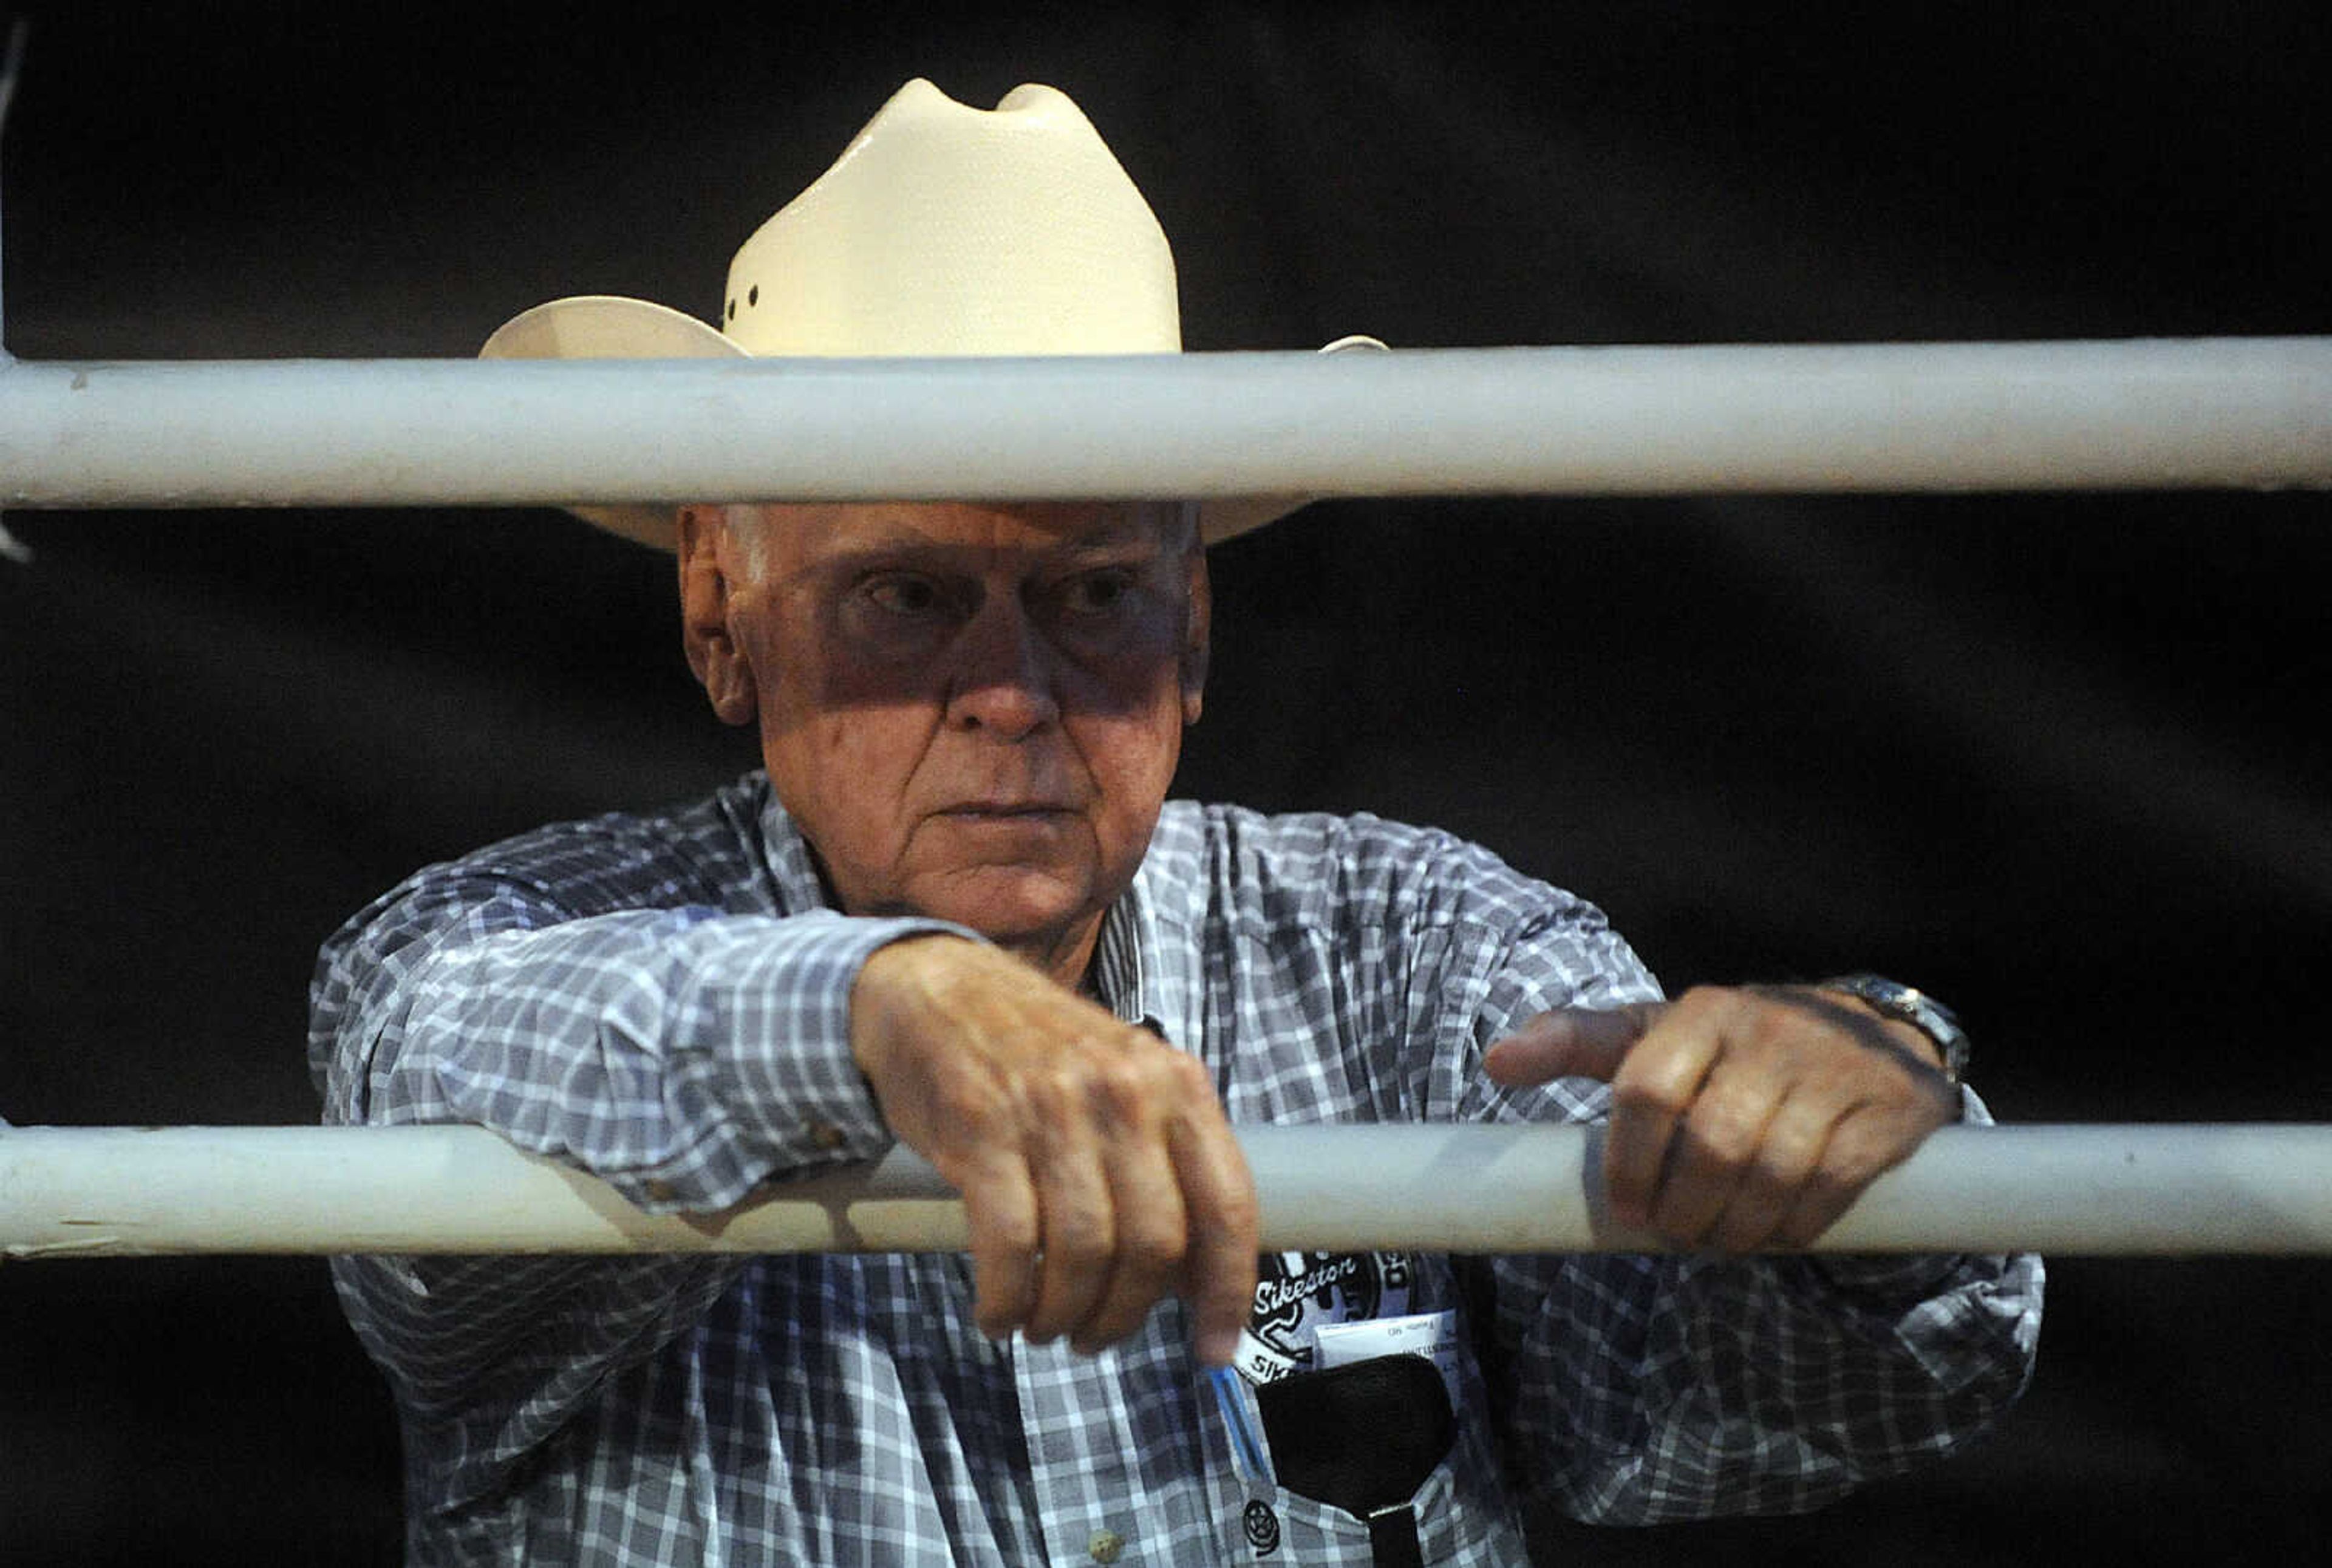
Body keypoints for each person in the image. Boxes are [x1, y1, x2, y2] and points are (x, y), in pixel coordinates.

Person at [311, 79, 2042, 1566]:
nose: (1014, 692)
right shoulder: (505, 942)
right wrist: (879, 1007)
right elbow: (437, 1059)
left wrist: (1850, 1105)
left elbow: (1772, 1404)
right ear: (721, 615)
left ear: (1194, 624)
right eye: (908, 597)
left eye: (1093, 593)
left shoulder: (1410, 940)